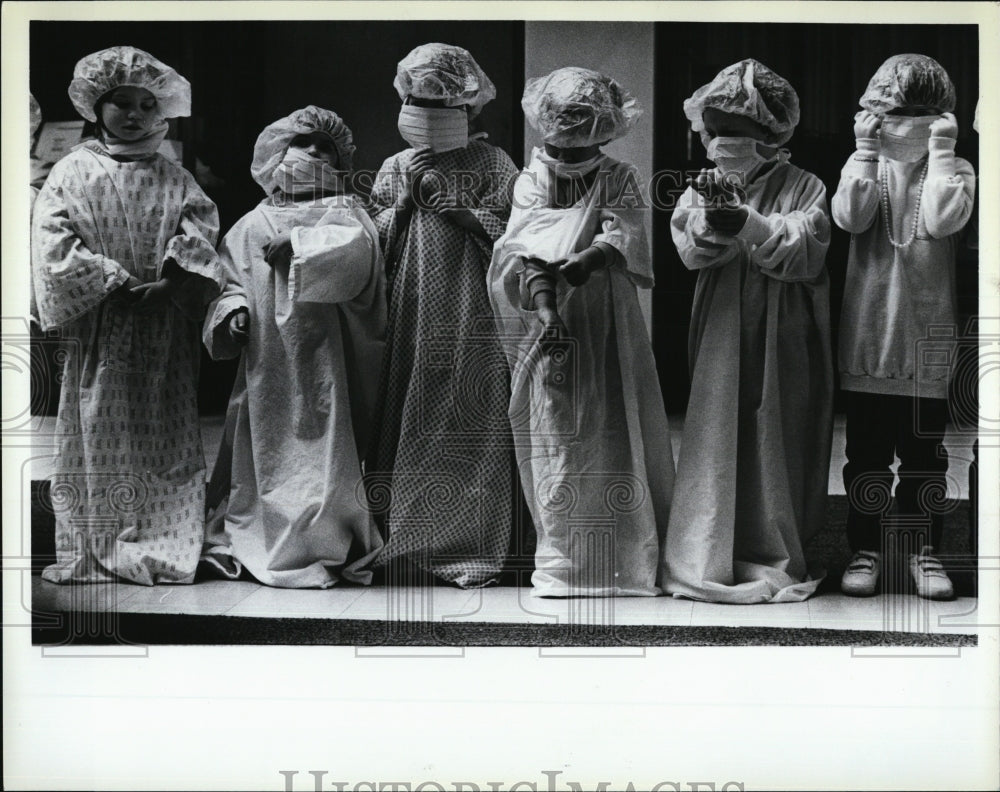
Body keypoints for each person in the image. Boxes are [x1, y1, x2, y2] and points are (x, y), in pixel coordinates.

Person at [32, 46, 221, 585]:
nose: (135, 114)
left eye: (146, 103)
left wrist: (172, 282)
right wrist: (111, 280)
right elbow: (53, 241)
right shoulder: (72, 171)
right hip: (99, 327)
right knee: (95, 427)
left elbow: (200, 230)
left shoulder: (174, 176)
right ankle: (98, 537)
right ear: (96, 106)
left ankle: (167, 535)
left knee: (167, 430)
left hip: (163, 327)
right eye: (121, 102)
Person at [488, 66, 673, 596]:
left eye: (579, 132)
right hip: (545, 316)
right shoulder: (532, 180)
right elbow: (523, 249)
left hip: (606, 314)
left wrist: (589, 260)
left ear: (605, 128)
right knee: (557, 428)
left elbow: (628, 232)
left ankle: (622, 552)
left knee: (613, 419)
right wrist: (547, 309)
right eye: (561, 137)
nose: (568, 152)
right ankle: (565, 559)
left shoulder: (618, 175)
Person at [664, 58, 833, 603]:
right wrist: (712, 222)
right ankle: (710, 543)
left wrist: (754, 225)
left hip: (786, 324)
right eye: (714, 129)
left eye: (736, 129)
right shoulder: (705, 184)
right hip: (720, 324)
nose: (722, 140)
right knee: (717, 425)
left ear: (771, 130)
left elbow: (807, 251)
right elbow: (691, 251)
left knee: (775, 429)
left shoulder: (805, 185)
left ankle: (774, 548)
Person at [201, 106, 386, 588]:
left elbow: (357, 260)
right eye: (302, 144)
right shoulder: (251, 222)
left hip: (330, 360)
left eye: (326, 147)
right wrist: (234, 308)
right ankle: (269, 529)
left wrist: (301, 244)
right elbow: (229, 277)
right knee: (267, 444)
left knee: (326, 447)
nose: (315, 153)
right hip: (270, 362)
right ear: (275, 155)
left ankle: (325, 536)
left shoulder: (346, 211)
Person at [365, 43, 520, 588]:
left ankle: (469, 540)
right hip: (411, 304)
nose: (428, 116)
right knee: (411, 401)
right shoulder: (395, 165)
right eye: (417, 102)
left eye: (442, 106)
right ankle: (404, 537)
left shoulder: (494, 163)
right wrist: (404, 202)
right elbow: (371, 242)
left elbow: (517, 238)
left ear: (470, 109)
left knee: (470, 407)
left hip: (472, 304)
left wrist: (460, 210)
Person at [833, 54, 975, 600]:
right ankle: (865, 548)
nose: (909, 120)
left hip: (927, 336)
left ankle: (923, 550)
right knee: (866, 456)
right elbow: (851, 217)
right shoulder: (860, 163)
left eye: (923, 111)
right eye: (899, 110)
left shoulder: (956, 169)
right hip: (870, 332)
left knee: (924, 457)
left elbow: (941, 221)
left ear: (941, 114)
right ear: (875, 112)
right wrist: (867, 152)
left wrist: (941, 151)